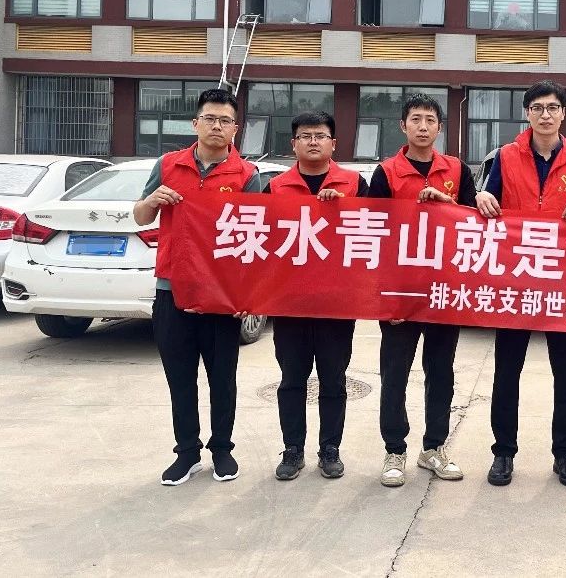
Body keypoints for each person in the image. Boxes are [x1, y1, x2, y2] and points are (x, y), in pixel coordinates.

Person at [475, 80, 566, 488]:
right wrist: (481, 197)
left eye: (552, 108)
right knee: (506, 372)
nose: (545, 115)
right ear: (527, 113)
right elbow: (488, 201)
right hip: (515, 280)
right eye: (537, 108)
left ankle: (564, 454)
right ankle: (503, 453)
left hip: (564, 282)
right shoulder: (506, 156)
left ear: (563, 113)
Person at [133, 87, 263, 486]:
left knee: (222, 378)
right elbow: (140, 217)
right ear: (195, 123)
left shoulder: (247, 175)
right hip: (172, 289)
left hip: (221, 295)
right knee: (180, 377)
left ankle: (221, 449)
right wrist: (152, 200)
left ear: (236, 129)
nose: (217, 126)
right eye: (210, 118)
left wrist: (247, 295)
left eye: (225, 120)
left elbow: (254, 238)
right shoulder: (168, 165)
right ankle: (186, 453)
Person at [366, 93, 477, 488]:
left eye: (430, 120)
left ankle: (433, 448)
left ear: (440, 128)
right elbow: (372, 232)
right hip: (400, 291)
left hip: (444, 289)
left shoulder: (458, 170)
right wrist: (383, 294)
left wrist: (447, 202)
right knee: (395, 372)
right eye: (416, 119)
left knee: (441, 372)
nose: (423, 126)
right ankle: (394, 449)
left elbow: (473, 223)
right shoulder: (386, 173)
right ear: (403, 126)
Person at [268, 111, 365, 481]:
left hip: (336, 303)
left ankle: (330, 449)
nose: (313, 141)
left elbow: (375, 234)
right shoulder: (275, 187)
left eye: (320, 135)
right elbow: (262, 244)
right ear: (293, 144)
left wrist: (344, 208)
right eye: (305, 136)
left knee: (333, 379)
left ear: (333, 143)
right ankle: (292, 449)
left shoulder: (354, 184)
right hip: (289, 303)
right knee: (292, 378)